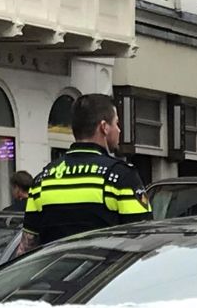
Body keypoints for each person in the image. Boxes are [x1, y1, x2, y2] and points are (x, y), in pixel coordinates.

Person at [23, 93, 151, 243]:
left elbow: (27, 247)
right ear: (104, 127)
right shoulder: (120, 177)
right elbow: (143, 239)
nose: (119, 130)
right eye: (116, 123)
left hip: (55, 266)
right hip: (108, 266)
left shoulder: (43, 181)